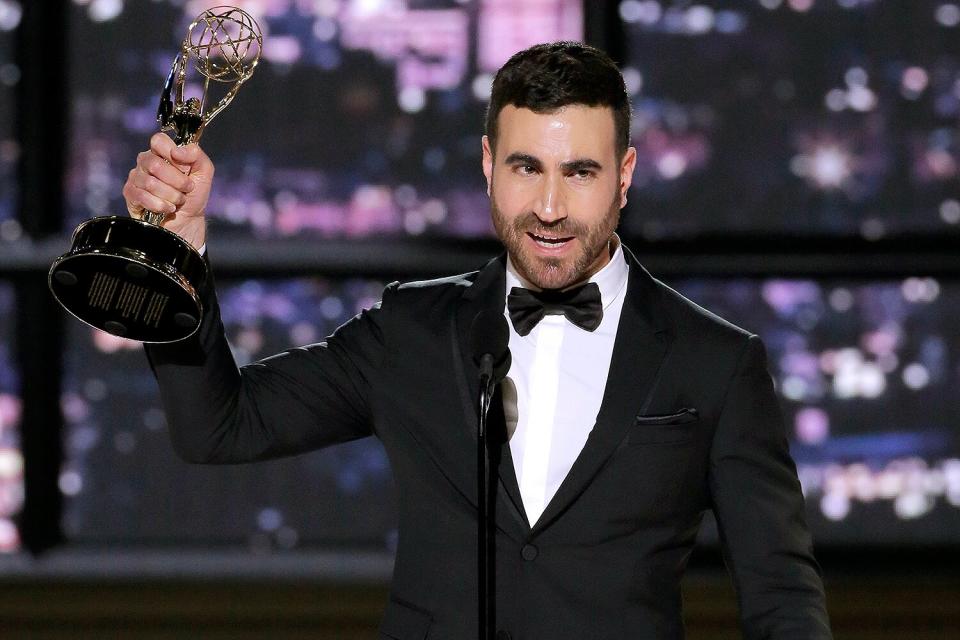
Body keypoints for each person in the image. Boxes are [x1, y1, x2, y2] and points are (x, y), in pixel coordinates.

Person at [123, 42, 833, 639]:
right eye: (527, 168)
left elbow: (781, 598)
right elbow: (219, 426)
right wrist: (176, 254)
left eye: (579, 172)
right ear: (490, 164)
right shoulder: (411, 332)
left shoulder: (715, 361)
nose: (549, 208)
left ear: (623, 176)